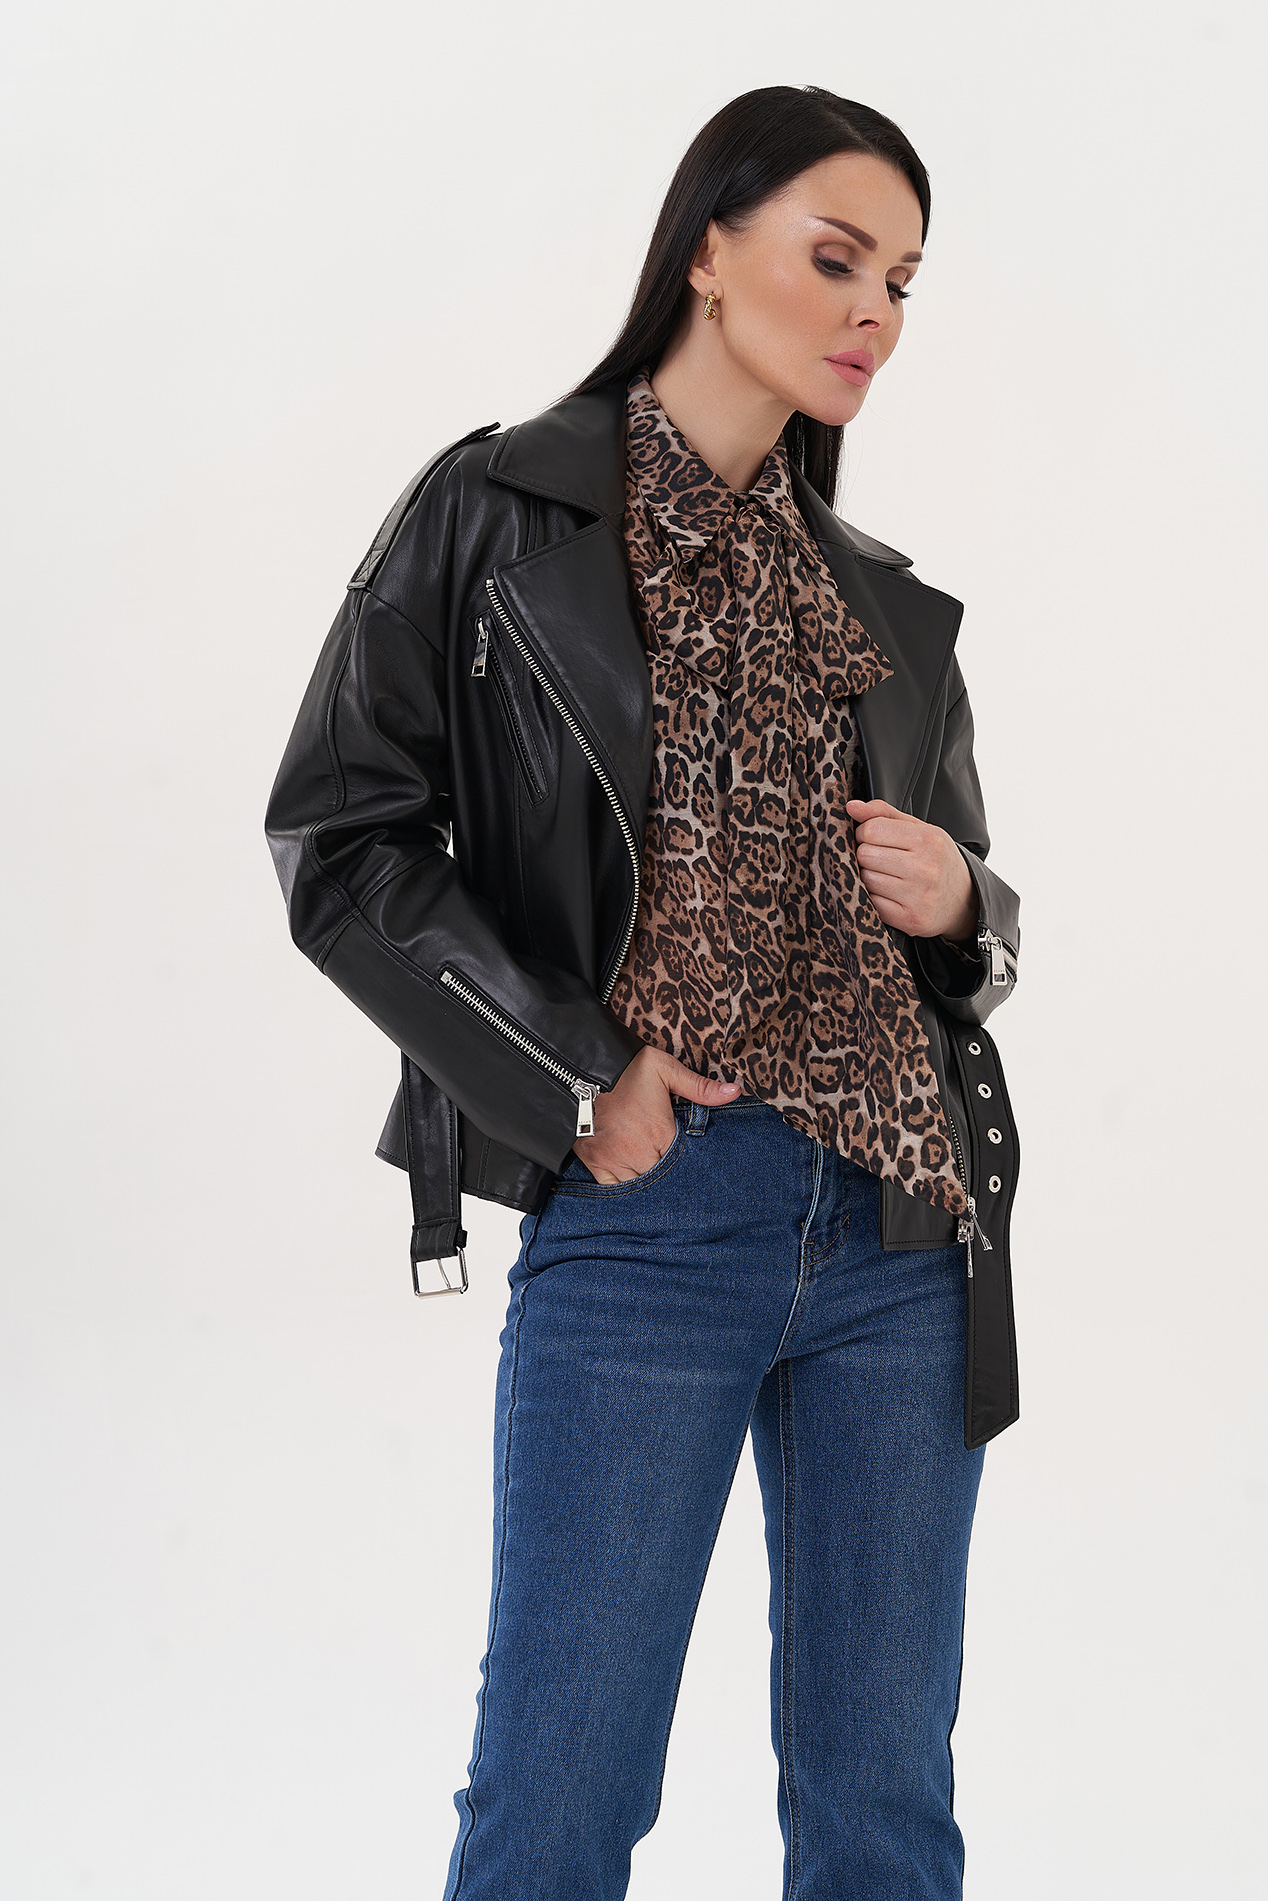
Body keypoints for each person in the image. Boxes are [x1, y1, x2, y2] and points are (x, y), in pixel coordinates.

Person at [266, 83, 1022, 1901]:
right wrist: (575, 1076)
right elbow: (341, 839)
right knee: (558, 1800)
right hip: (652, 1213)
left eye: (904, 281)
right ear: (707, 250)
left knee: (884, 1815)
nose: (876, 313)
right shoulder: (499, 515)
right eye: (837, 258)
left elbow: (972, 931)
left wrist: (964, 901)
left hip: (906, 1234)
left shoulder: (881, 604)